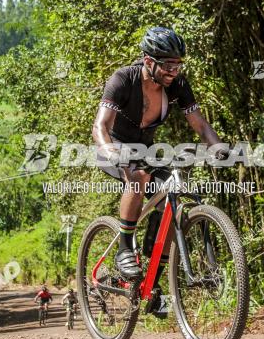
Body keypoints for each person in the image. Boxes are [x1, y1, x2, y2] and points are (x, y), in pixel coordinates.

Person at [92, 26, 228, 281]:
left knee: (171, 200)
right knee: (139, 175)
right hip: (113, 146)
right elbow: (100, 126)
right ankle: (124, 249)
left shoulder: (177, 85)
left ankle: (154, 281)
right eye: (167, 65)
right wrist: (111, 152)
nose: (173, 72)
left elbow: (200, 124)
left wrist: (219, 148)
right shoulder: (123, 79)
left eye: (177, 66)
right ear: (148, 62)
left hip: (146, 150)